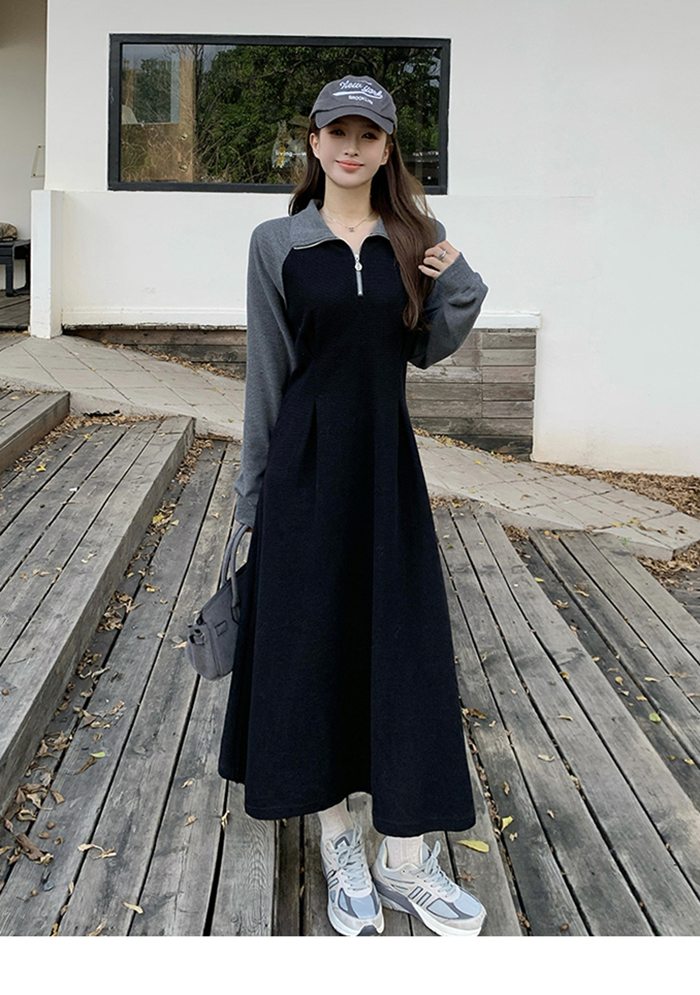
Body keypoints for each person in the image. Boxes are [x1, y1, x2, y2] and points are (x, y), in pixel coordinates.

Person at [218, 74, 489, 937]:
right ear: (314, 141)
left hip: (385, 469)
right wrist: (252, 497)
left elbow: (427, 348)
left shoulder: (416, 236)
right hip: (302, 471)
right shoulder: (277, 241)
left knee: (403, 645)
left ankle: (404, 858)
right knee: (310, 647)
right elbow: (268, 372)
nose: (350, 147)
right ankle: (339, 838)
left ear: (386, 147)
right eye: (336, 131)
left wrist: (460, 282)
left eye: (367, 134)